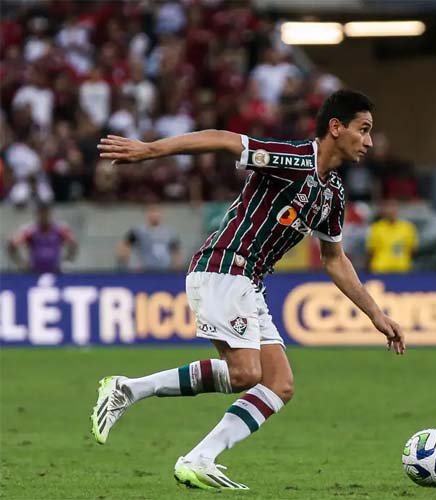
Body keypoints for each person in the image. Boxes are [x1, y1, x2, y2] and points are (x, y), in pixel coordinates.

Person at [92, 90, 405, 490]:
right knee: (245, 373)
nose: (370, 141)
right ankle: (130, 390)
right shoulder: (292, 159)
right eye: (364, 130)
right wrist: (150, 150)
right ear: (336, 127)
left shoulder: (333, 194)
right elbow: (225, 140)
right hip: (223, 265)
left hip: (250, 282)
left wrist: (377, 315)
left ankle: (199, 456)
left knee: (279, 384)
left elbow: (335, 260)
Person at [7, 204, 77, 274]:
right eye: (41, 213)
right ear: (37, 215)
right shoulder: (30, 230)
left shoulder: (59, 229)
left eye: (46, 214)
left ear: (50, 214)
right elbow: (12, 245)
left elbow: (73, 243)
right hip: (34, 271)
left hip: (55, 270)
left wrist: (67, 260)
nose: (44, 217)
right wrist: (21, 263)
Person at [116, 203, 182, 272]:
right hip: (144, 271)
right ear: (147, 214)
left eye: (157, 212)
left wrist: (177, 267)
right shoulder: (138, 231)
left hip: (164, 270)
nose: (155, 215)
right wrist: (125, 262)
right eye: (152, 211)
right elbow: (124, 245)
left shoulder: (170, 233)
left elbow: (176, 251)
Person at [366, 198, 418, 273]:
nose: (391, 210)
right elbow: (370, 251)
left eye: (393, 207)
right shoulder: (376, 228)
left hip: (402, 270)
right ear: (383, 211)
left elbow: (413, 250)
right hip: (381, 270)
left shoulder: (407, 227)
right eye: (388, 207)